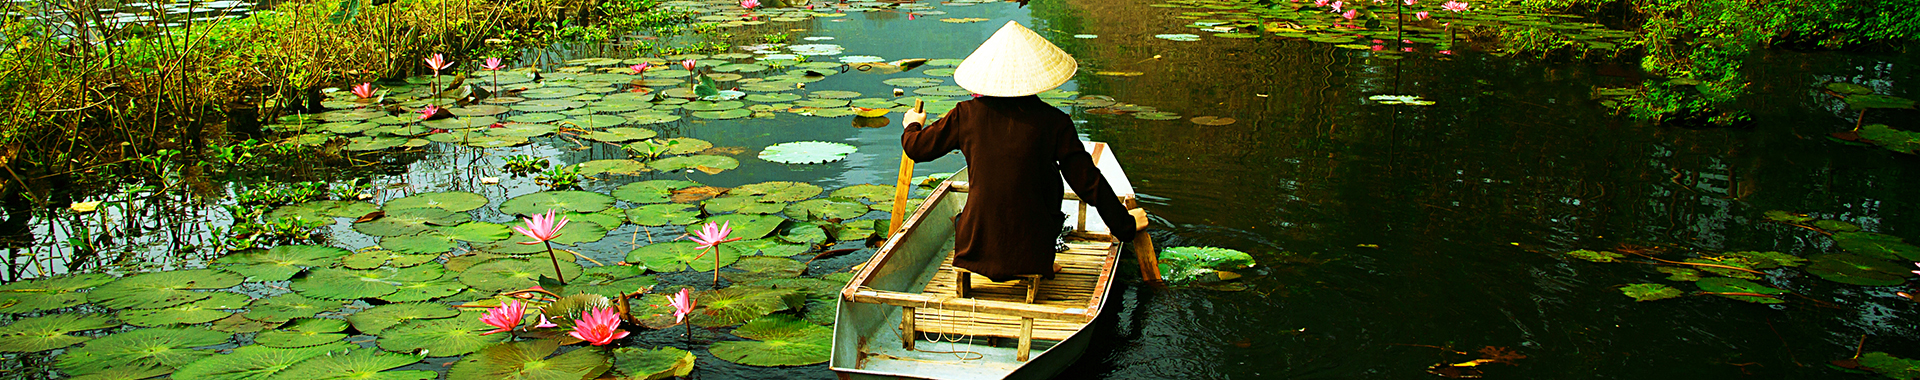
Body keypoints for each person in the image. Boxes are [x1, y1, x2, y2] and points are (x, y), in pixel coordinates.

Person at [900, 21, 1137, 283]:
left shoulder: (965, 115)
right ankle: (1043, 259)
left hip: (974, 247)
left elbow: (916, 148)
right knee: (1051, 174)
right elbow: (1087, 182)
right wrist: (1124, 227)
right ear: (1036, 78)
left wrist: (913, 124)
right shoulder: (1055, 122)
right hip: (1032, 250)